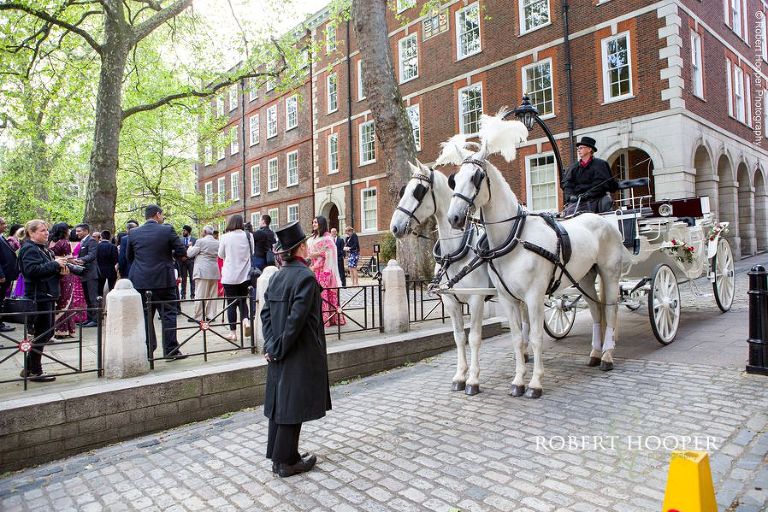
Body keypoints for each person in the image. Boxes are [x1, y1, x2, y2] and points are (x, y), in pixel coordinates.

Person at [261, 220, 331, 478]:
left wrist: (271, 344)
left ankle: (284, 455)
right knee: (292, 407)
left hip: (280, 349)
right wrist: (278, 347)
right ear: (301, 247)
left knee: (282, 404)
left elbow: (265, 315)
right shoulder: (306, 277)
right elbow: (296, 321)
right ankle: (285, 463)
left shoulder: (278, 277)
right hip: (297, 350)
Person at [127, 204, 187, 360]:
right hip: (164, 279)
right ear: (157, 215)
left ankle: (148, 349)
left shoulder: (133, 233)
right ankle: (170, 350)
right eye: (162, 215)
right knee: (168, 314)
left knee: (146, 316)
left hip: (141, 280)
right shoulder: (167, 230)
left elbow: (129, 257)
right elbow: (181, 251)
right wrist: (169, 255)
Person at [18, 220, 69, 382]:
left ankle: (29, 367)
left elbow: (45, 270)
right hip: (38, 297)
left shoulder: (43, 249)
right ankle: (35, 371)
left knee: (46, 333)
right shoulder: (29, 249)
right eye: (42, 230)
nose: (46, 233)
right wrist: (54, 264)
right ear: (31, 233)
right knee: (43, 333)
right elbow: (31, 271)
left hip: (46, 295)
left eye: (47, 230)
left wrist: (60, 269)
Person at [217, 214, 253, 341]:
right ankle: (246, 320)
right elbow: (252, 252)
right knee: (243, 300)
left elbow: (220, 255)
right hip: (245, 274)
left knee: (231, 303)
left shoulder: (225, 237)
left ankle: (233, 333)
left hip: (229, 276)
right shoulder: (249, 236)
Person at [562, 136, 618, 215]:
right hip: (577, 200)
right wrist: (571, 196)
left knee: (574, 212)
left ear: (589, 149)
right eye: (578, 148)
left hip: (595, 198)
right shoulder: (573, 167)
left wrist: (587, 194)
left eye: (581, 148)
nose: (578, 150)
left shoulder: (600, 165)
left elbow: (601, 184)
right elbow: (567, 184)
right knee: (567, 212)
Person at [307, 216, 345, 326]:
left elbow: (331, 253)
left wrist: (317, 254)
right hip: (313, 269)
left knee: (323, 294)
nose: (313, 224)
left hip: (324, 271)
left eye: (315, 222)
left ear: (321, 224)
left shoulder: (327, 238)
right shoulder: (312, 238)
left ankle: (328, 318)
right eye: (313, 222)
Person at [49, 223, 80, 339]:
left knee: (58, 300)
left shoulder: (50, 242)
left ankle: (54, 328)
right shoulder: (64, 243)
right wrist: (75, 261)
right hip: (65, 273)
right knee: (66, 300)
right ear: (64, 231)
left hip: (54, 272)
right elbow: (69, 258)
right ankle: (63, 329)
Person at [185, 226, 220, 323]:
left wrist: (190, 246)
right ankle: (211, 315)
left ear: (204, 231)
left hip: (202, 270)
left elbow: (190, 254)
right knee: (212, 294)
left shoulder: (200, 241)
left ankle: (198, 316)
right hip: (214, 270)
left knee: (200, 294)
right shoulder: (218, 242)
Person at [73, 224, 99, 327]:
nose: (77, 233)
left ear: (86, 231)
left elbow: (92, 255)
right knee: (87, 298)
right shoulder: (83, 241)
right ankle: (89, 319)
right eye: (76, 231)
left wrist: (80, 260)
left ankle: (96, 320)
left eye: (79, 231)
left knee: (93, 298)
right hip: (85, 274)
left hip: (91, 274)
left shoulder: (91, 241)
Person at [0, 217, 19, 332]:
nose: (5, 226)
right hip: (2, 276)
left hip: (8, 274)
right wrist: (1, 275)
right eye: (3, 224)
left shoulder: (2, 237)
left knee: (1, 299)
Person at [96, 230, 119, 294]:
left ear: (101, 237)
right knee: (112, 288)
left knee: (99, 289)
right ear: (110, 237)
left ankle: (99, 302)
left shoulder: (97, 246)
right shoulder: (113, 247)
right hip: (111, 270)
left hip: (99, 270)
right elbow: (116, 259)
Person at [179, 225, 196, 299]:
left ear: (188, 231)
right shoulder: (180, 240)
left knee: (192, 278)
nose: (183, 232)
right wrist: (181, 257)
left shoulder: (194, 240)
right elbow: (178, 249)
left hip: (191, 261)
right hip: (183, 262)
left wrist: (187, 257)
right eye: (183, 230)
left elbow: (196, 250)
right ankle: (183, 294)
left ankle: (193, 295)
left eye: (184, 230)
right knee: (183, 279)